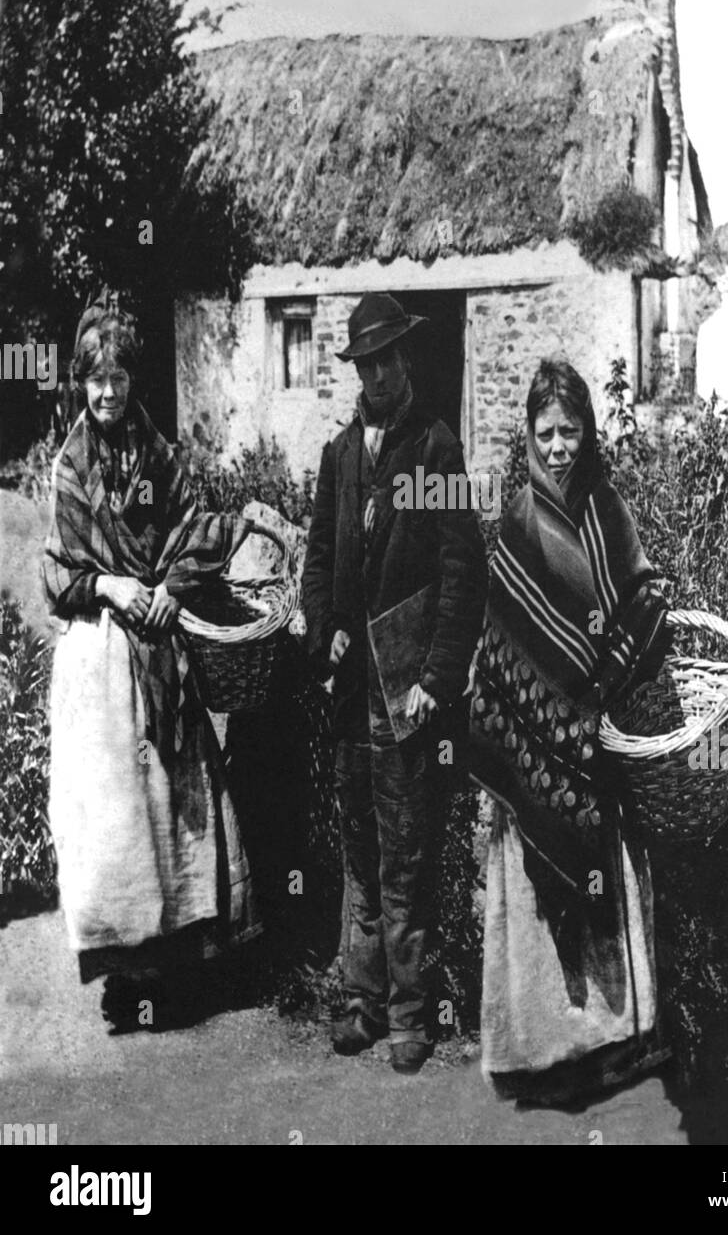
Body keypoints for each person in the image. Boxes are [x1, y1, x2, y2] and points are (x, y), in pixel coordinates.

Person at [42, 305, 260, 1031]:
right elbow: (58, 573)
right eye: (95, 379)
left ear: (133, 379)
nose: (107, 392)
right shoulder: (69, 467)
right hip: (102, 656)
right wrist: (111, 586)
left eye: (118, 376)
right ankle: (121, 974)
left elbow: (193, 524)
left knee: (173, 811)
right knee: (115, 821)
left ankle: (171, 969)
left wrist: (167, 591)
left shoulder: (157, 454)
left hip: (159, 649)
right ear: (80, 382)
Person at [470, 357, 672, 1102]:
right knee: (535, 884)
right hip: (535, 752)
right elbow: (502, 639)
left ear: (588, 435)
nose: (557, 446)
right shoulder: (517, 521)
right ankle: (544, 1049)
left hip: (597, 739)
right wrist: (531, 722)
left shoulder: (606, 509)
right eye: (545, 432)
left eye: (570, 432)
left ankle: (610, 1040)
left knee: (605, 881)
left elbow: (643, 589)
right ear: (529, 434)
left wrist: (609, 671)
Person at [302, 292, 488, 1073]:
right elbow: (317, 563)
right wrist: (326, 633)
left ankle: (414, 1011)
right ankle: (362, 1000)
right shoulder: (341, 457)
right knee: (360, 852)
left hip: (407, 692)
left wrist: (438, 678)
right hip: (352, 695)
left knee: (407, 851)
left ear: (405, 361)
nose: (378, 374)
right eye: (365, 362)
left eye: (388, 359)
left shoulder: (434, 452)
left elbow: (461, 573)